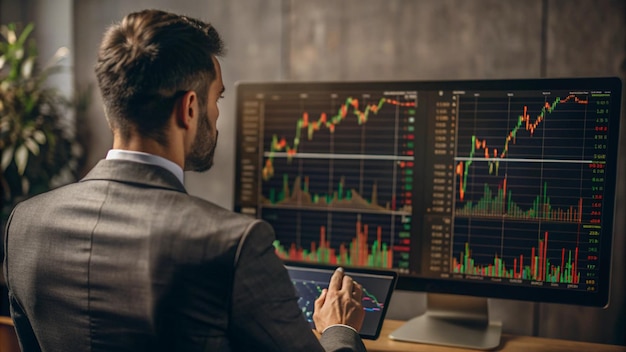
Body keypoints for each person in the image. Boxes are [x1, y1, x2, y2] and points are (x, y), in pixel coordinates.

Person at [3, 9, 367, 352]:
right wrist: (339, 330)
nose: (217, 113)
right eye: (217, 98)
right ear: (190, 108)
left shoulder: (25, 223)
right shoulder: (232, 245)